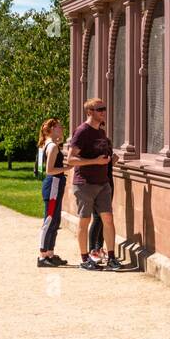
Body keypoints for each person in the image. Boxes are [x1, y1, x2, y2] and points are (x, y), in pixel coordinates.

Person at [68, 98, 123, 272]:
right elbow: (71, 159)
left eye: (104, 108)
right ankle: (85, 259)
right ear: (89, 112)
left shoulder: (100, 132)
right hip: (85, 184)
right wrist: (95, 161)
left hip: (103, 183)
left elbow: (102, 157)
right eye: (99, 108)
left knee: (108, 219)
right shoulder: (82, 132)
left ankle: (112, 258)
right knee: (85, 221)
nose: (103, 111)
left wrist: (110, 161)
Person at [37, 117, 67, 267]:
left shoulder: (50, 145)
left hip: (55, 184)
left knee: (55, 220)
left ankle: (50, 253)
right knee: (49, 220)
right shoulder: (52, 147)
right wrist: (66, 168)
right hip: (53, 184)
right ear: (52, 129)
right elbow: (49, 170)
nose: (62, 129)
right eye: (59, 127)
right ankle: (42, 256)